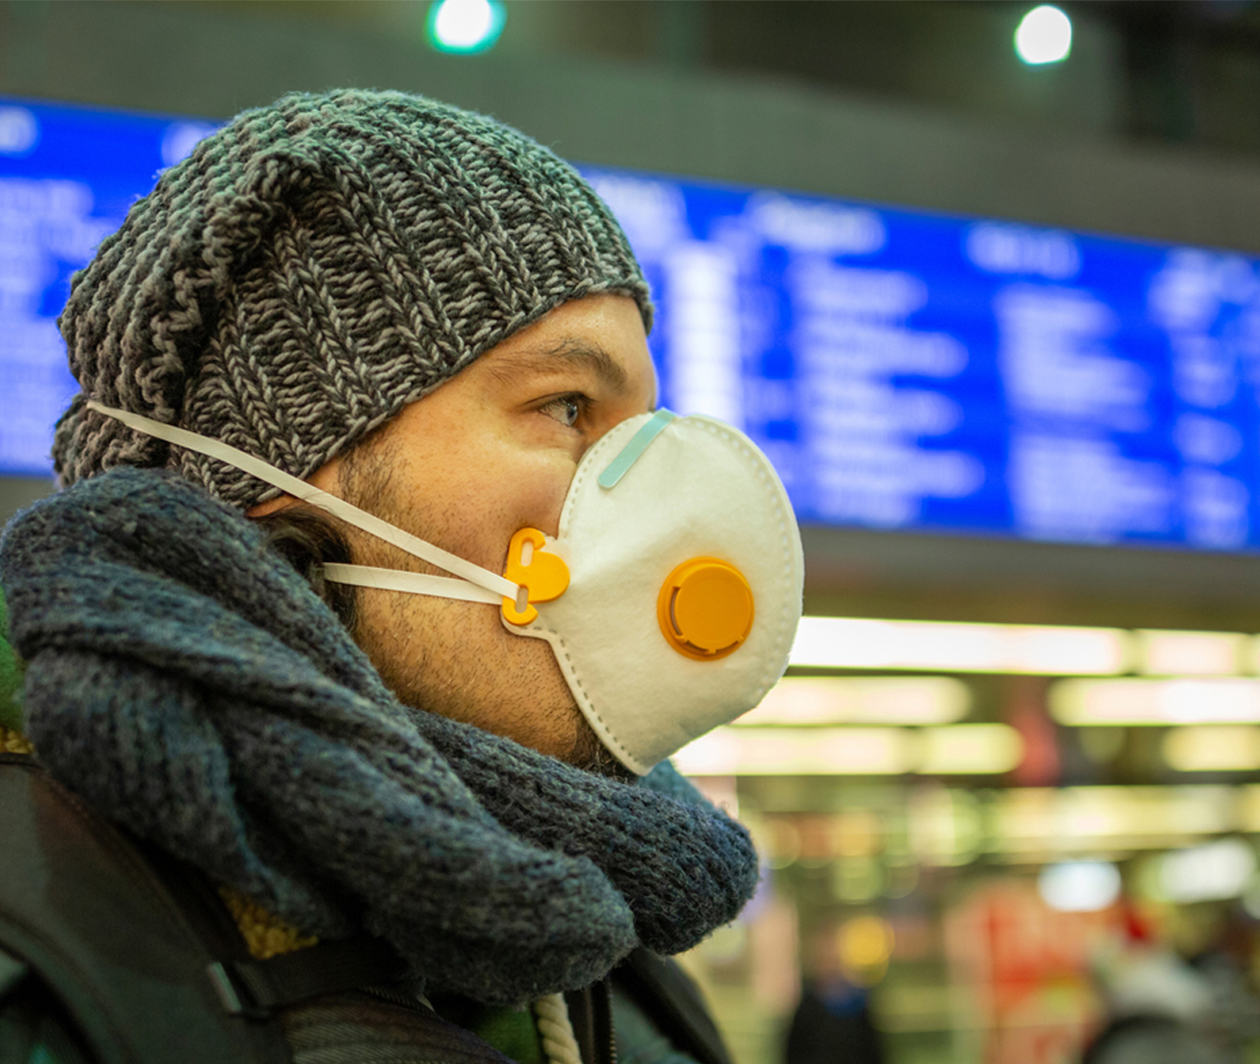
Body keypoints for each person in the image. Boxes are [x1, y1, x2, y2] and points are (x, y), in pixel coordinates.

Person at [0, 89, 803, 1063]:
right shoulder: (48, 951)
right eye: (566, 406)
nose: (653, 497)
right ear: (285, 463)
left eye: (642, 423)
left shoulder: (624, 967)